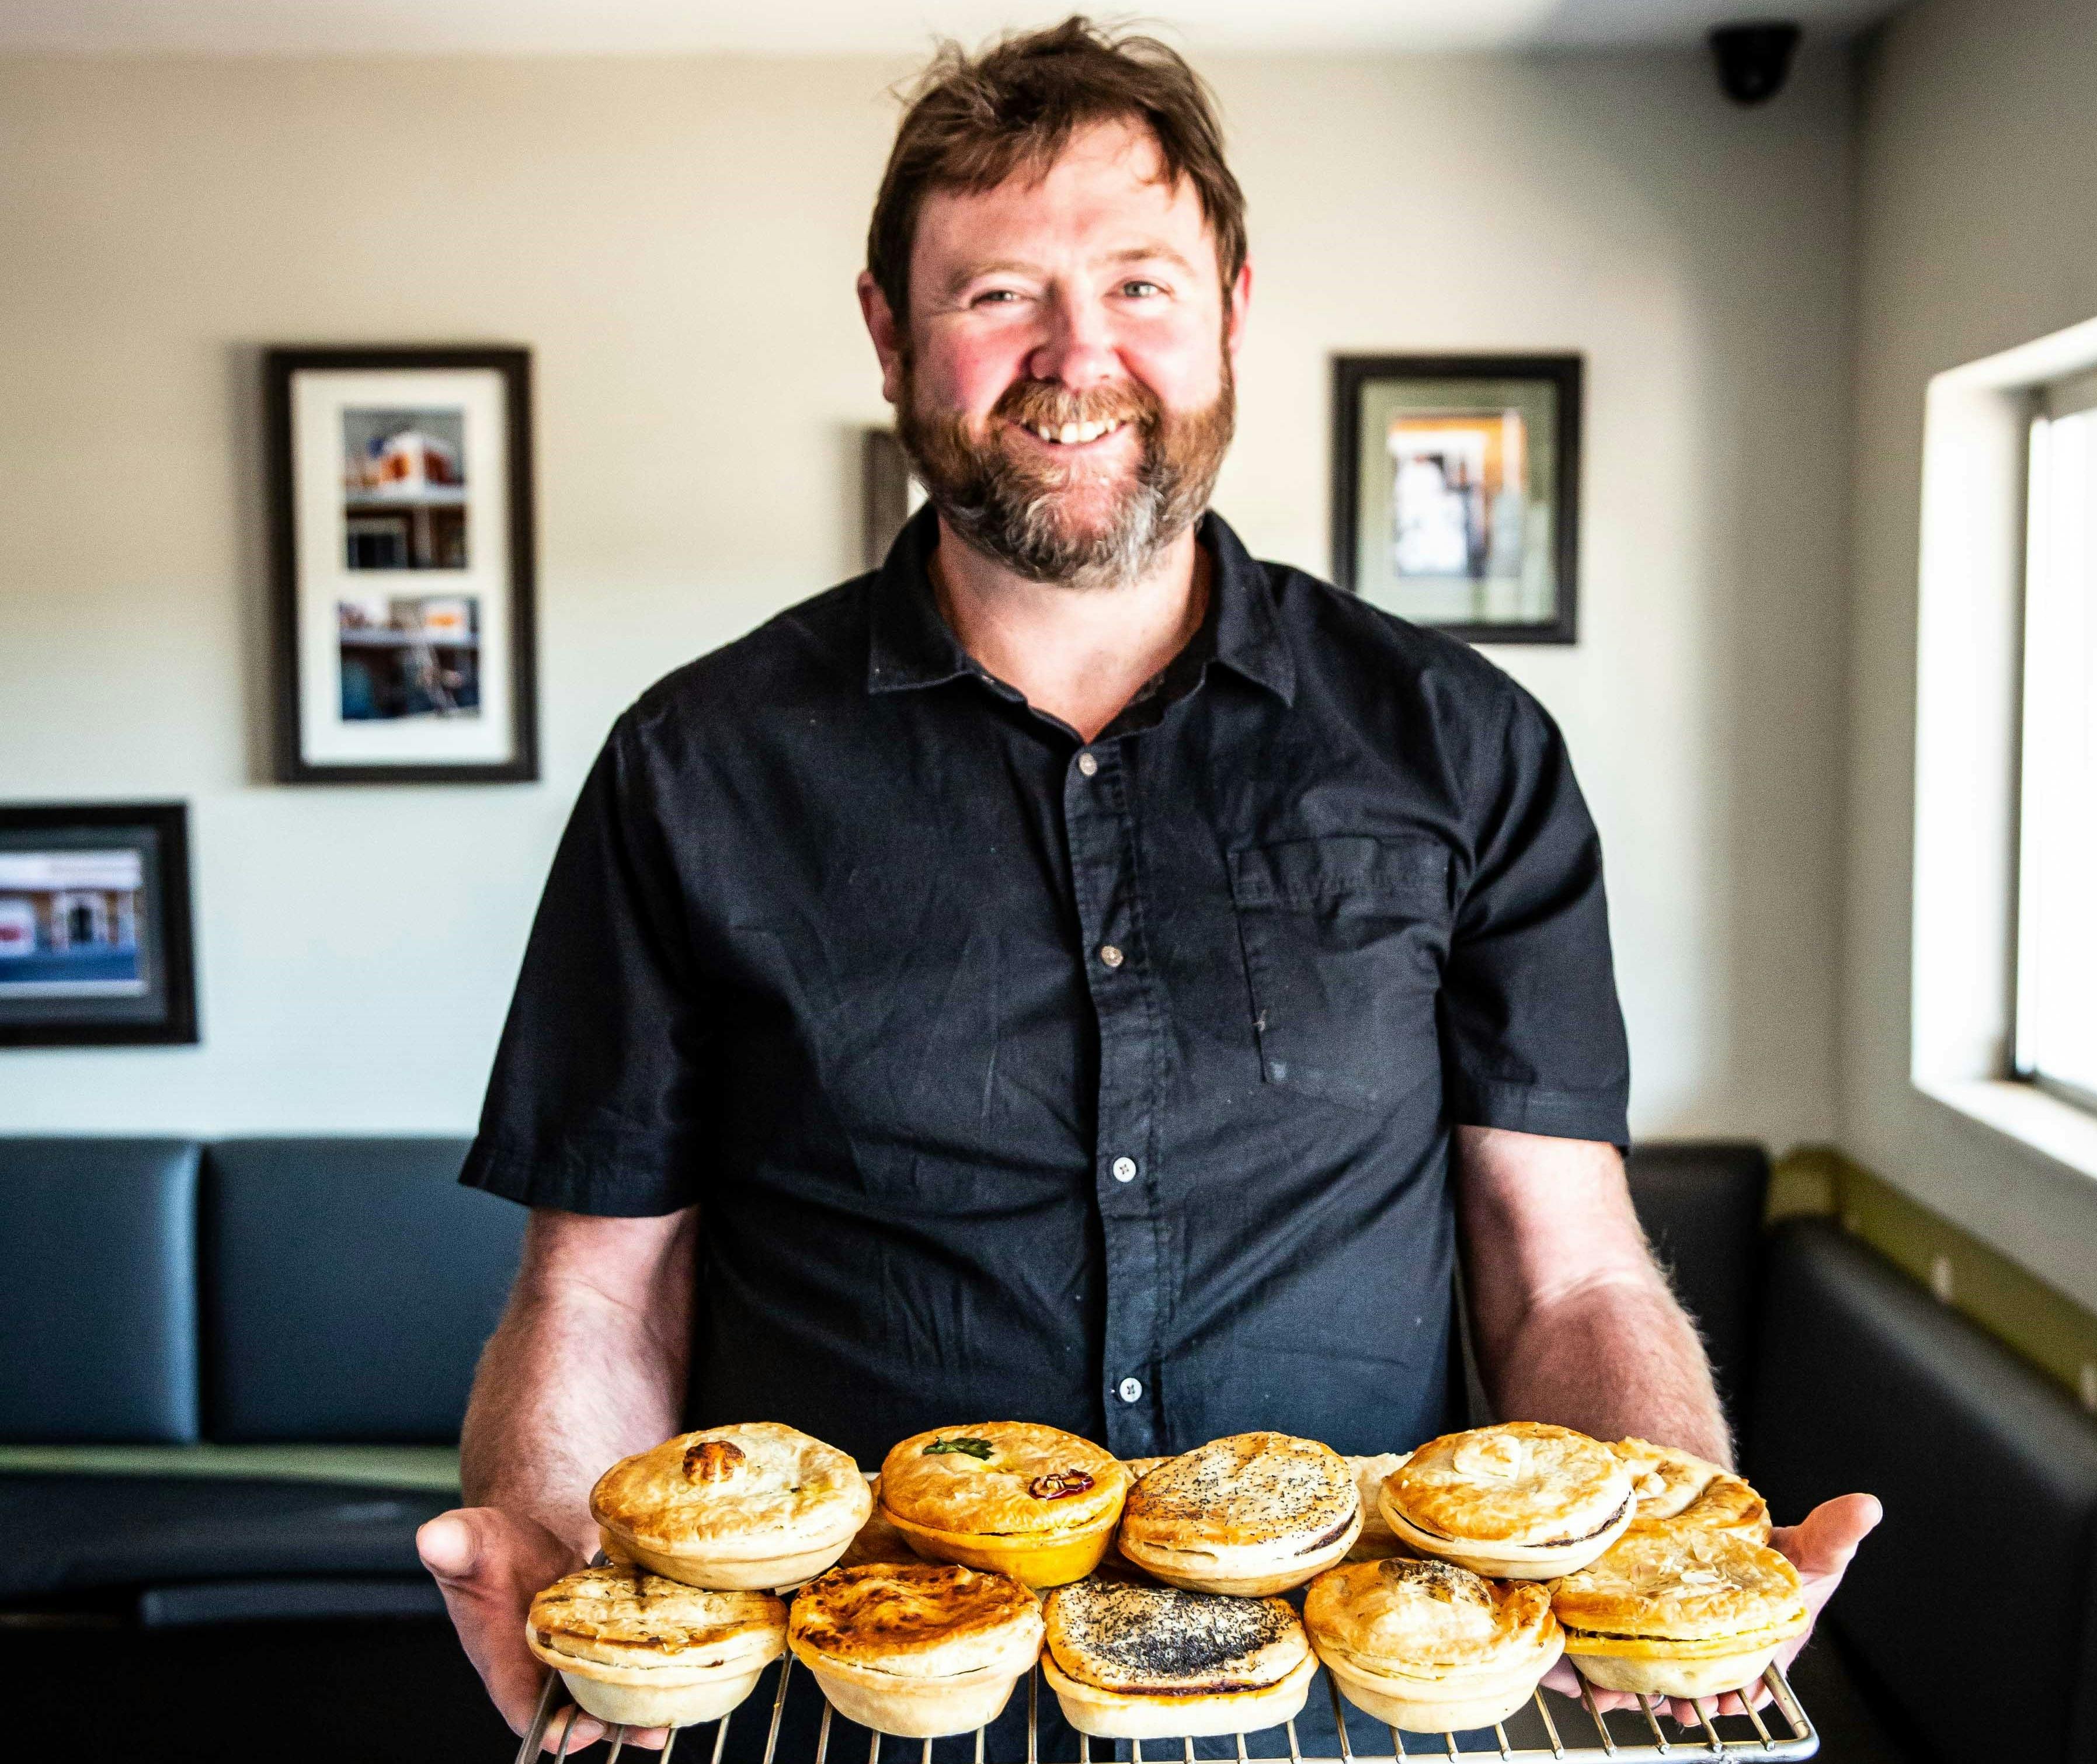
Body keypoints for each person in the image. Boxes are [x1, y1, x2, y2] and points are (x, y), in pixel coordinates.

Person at [416, 18, 1879, 1752]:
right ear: (891, 332)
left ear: (1234, 313)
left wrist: (1671, 1564)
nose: (1077, 355)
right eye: (995, 297)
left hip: (1347, 1719)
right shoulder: (695, 766)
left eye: (1141, 286)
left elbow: (1563, 1272)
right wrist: (586, 1588)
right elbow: (600, 1285)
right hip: (849, 1715)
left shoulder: (1462, 747)